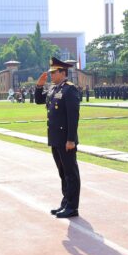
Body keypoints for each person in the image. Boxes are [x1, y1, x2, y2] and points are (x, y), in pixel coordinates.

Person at [35, 57, 81, 219]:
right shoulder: (54, 89)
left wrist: (71, 139)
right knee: (62, 173)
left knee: (71, 173)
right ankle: (65, 202)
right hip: (55, 138)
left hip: (65, 139)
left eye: (54, 72)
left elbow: (73, 117)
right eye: (51, 72)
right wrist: (39, 85)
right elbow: (39, 100)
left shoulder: (70, 90)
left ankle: (72, 207)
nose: (51, 75)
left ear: (63, 72)